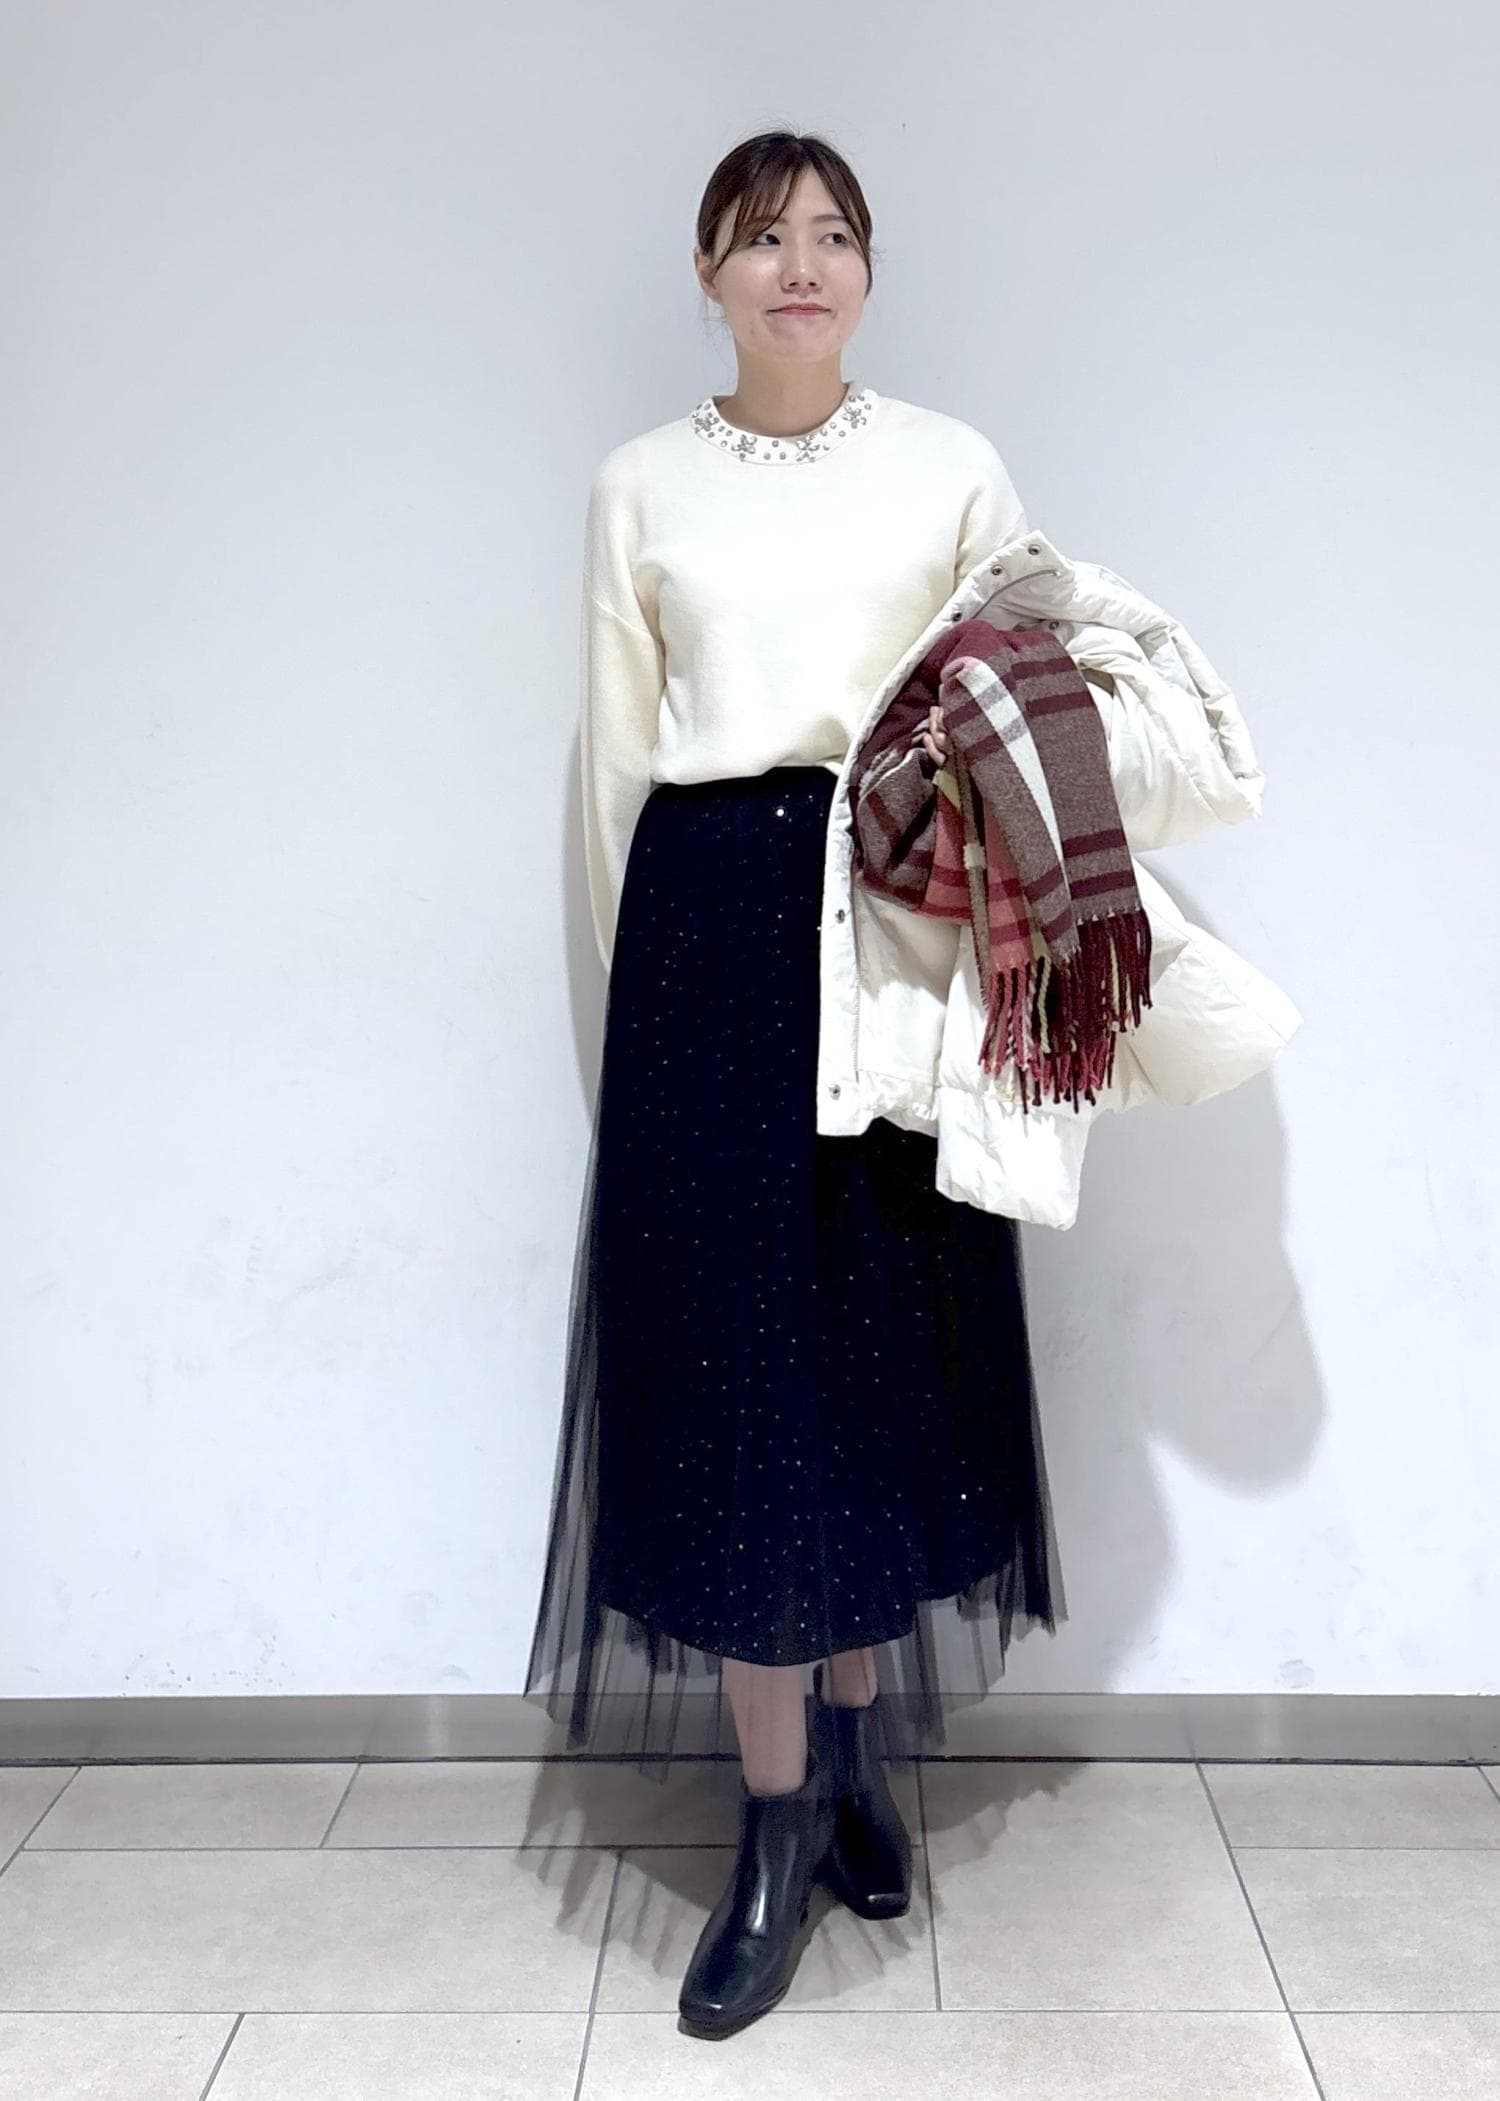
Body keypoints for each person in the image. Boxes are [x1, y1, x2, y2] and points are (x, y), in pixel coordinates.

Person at [524, 128, 1064, 2041]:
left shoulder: (952, 467)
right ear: (709, 272)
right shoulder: (640, 484)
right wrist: (638, 1019)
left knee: (872, 1352)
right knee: (742, 1375)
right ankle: (771, 1819)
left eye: (834, 234)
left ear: (869, 267)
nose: (802, 267)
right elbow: (614, 764)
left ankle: (845, 1762)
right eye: (764, 238)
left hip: (898, 921)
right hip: (709, 937)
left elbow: (1025, 711)